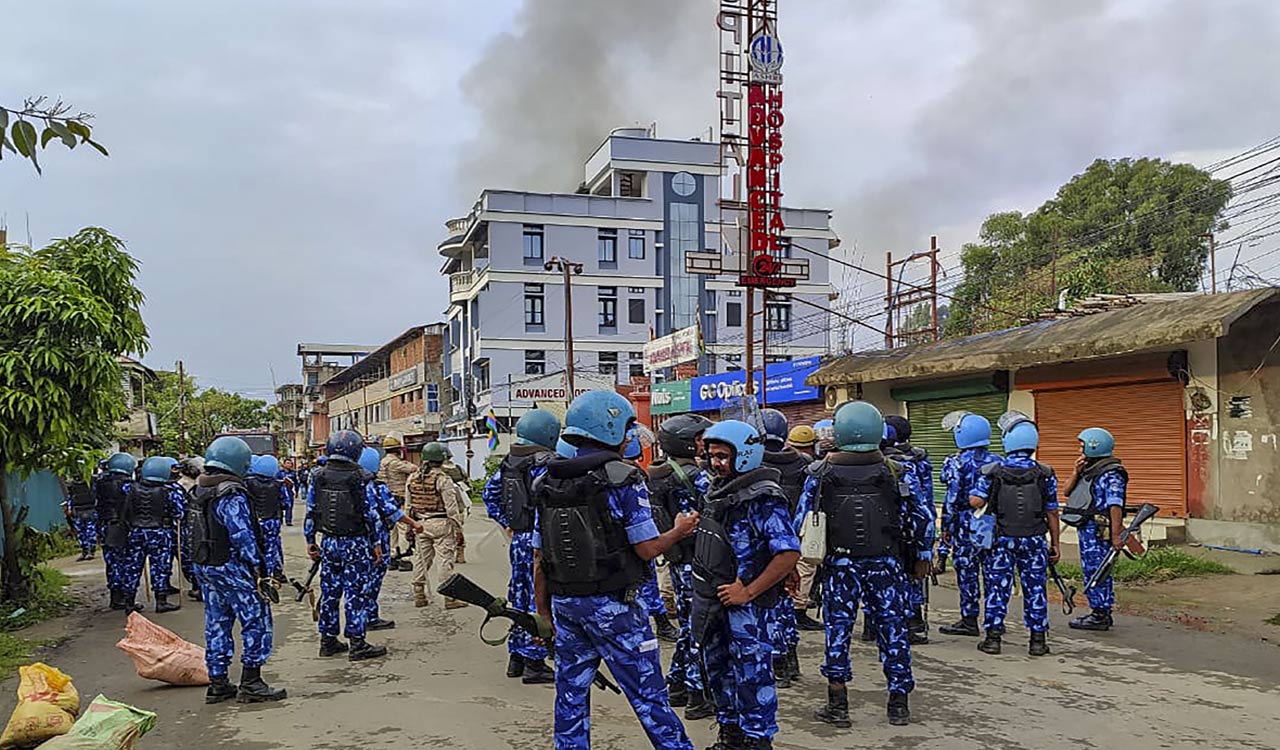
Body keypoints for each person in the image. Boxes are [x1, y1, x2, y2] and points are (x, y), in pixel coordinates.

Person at [532, 390, 699, 750]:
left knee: (571, 696)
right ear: (609, 429)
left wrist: (543, 614)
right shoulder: (624, 478)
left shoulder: (547, 481)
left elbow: (540, 558)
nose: (628, 438)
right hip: (616, 607)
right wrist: (679, 530)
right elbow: (647, 548)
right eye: (626, 430)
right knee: (649, 696)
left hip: (566, 606)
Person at [798, 401, 934, 728]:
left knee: (837, 631)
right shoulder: (897, 471)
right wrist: (923, 555)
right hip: (886, 563)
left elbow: (801, 520)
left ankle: (838, 703)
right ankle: (898, 704)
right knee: (893, 630)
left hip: (839, 566)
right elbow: (923, 519)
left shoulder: (819, 473)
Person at [694, 419, 802, 750]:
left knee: (752, 676)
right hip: (714, 600)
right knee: (718, 671)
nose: (716, 463)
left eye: (723, 456)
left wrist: (748, 592)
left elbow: (787, 552)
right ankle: (730, 736)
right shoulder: (716, 492)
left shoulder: (764, 497)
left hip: (748, 608)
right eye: (712, 456)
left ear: (744, 455)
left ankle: (757, 740)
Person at [191, 436, 286, 704]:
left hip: (207, 565)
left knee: (217, 623)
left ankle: (218, 683)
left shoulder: (199, 490)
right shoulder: (230, 493)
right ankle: (251, 682)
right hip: (232, 568)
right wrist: (259, 568)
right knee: (256, 620)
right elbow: (242, 535)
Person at [968, 413, 1060, 655]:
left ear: (1008, 441)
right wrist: (1055, 544)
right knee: (1035, 589)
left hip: (1001, 540)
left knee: (997, 588)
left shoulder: (991, 471)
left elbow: (976, 501)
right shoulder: (1045, 473)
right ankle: (1038, 642)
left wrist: (976, 496)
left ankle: (993, 639)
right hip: (1035, 539)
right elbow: (1052, 512)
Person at [482, 408, 561, 684]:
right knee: (538, 599)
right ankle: (534, 662)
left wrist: (509, 522)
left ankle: (516, 657)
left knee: (519, 595)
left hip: (519, 539)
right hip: (539, 541)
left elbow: (489, 495)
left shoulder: (510, 461)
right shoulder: (545, 463)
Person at [646, 413, 714, 720]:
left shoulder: (658, 473)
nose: (704, 445)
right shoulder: (695, 477)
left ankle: (676, 684)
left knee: (689, 626)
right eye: (699, 439)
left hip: (677, 560)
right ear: (686, 444)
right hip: (697, 561)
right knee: (701, 629)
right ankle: (698, 695)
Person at [306, 430, 387, 660]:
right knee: (356, 592)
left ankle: (328, 641)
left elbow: (312, 510)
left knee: (330, 592)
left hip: (329, 541)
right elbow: (371, 514)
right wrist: (376, 543)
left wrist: (310, 540)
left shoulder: (318, 475)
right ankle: (357, 643)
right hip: (356, 542)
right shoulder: (361, 477)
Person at [936, 412, 1000, 637]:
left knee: (967, 572)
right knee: (992, 572)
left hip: (964, 523)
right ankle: (994, 620)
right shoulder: (998, 461)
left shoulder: (956, 462)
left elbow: (951, 498)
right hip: (991, 522)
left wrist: (946, 527)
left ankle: (969, 619)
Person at [758, 408, 807, 690]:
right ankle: (790, 660)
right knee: (787, 599)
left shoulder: (753, 465)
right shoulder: (803, 465)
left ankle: (777, 665)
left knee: (769, 605)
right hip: (793, 542)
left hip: (762, 545)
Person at [1065, 427, 1127, 632]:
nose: (1079, 450)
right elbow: (1066, 491)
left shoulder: (1111, 474)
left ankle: (1100, 613)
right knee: (1091, 569)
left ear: (1094, 446)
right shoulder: (1089, 470)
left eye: (1082, 446)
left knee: (1098, 571)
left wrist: (1116, 535)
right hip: (1087, 528)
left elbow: (1115, 505)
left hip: (1100, 530)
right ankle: (1098, 610)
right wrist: (1076, 472)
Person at [625, 426, 680, 644]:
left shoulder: (622, 471)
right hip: (638, 539)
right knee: (647, 581)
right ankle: (661, 623)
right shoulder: (630, 475)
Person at [358, 447, 424, 631]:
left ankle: (355, 620)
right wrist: (414, 523)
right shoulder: (376, 486)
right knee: (373, 579)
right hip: (377, 539)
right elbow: (392, 512)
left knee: (357, 581)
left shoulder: (349, 485)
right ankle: (370, 617)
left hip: (354, 541)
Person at [881, 414, 933, 645]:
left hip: (879, 534)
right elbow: (924, 501)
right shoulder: (916, 460)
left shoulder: (864, 463)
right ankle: (913, 620)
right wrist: (926, 545)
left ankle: (874, 627)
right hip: (907, 529)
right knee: (911, 576)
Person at [405, 442, 465, 609]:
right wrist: (458, 530)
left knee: (421, 559)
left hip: (420, 524)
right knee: (445, 560)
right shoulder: (443, 479)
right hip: (441, 524)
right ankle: (450, 598)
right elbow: (451, 509)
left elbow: (408, 507)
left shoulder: (413, 478)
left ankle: (419, 594)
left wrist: (409, 527)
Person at [122, 456, 184, 613]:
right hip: (160, 532)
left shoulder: (130, 488)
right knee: (160, 567)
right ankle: (161, 601)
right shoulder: (170, 491)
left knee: (132, 567)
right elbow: (179, 513)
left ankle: (129, 602)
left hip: (136, 531)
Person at [785, 425, 823, 633]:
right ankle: (798, 610)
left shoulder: (772, 462)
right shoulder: (812, 468)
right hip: (802, 524)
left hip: (778, 525)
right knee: (805, 568)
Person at [95, 452, 138, 611]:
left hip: (105, 525)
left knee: (112, 562)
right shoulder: (128, 485)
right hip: (122, 526)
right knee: (126, 562)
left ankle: (115, 596)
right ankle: (124, 597)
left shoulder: (100, 483)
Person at [245, 455, 289, 583]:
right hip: (272, 521)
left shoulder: (248, 483)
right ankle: (269, 577)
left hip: (254, 521)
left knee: (255, 548)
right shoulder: (279, 484)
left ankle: (256, 574)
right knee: (271, 550)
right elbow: (286, 503)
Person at [380, 434, 419, 569]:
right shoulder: (396, 463)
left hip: (387, 499)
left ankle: (393, 555)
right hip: (400, 498)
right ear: (398, 449)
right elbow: (414, 469)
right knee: (403, 528)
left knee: (392, 530)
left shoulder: (382, 462)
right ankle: (404, 557)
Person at [175, 457, 204, 601]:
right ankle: (197, 585)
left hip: (194, 524)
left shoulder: (198, 483)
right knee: (189, 555)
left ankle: (198, 585)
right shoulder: (181, 486)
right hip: (187, 525)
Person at [440, 448, 470, 564]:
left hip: (443, 507)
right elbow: (468, 486)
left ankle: (448, 554)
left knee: (446, 532)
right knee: (458, 529)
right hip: (460, 504)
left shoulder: (439, 472)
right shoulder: (459, 469)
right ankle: (460, 553)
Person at [63, 473, 98, 561]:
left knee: (90, 531)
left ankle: (91, 551)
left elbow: (96, 494)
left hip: (90, 509)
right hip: (78, 510)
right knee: (81, 533)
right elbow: (70, 497)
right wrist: (69, 508)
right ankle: (85, 551)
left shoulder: (91, 481)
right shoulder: (71, 484)